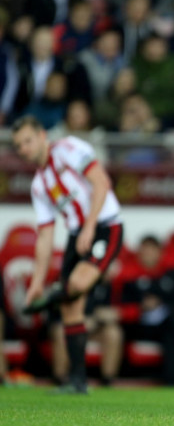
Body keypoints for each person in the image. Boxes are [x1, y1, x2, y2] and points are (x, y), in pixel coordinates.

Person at [15, 115, 123, 394]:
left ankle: (54, 294)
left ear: (41, 136)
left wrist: (89, 227)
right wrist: (37, 280)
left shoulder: (67, 148)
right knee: (70, 308)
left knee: (75, 285)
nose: (24, 149)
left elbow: (102, 182)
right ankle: (78, 380)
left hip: (105, 227)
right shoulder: (39, 186)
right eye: (19, 146)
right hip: (79, 235)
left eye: (27, 141)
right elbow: (45, 237)